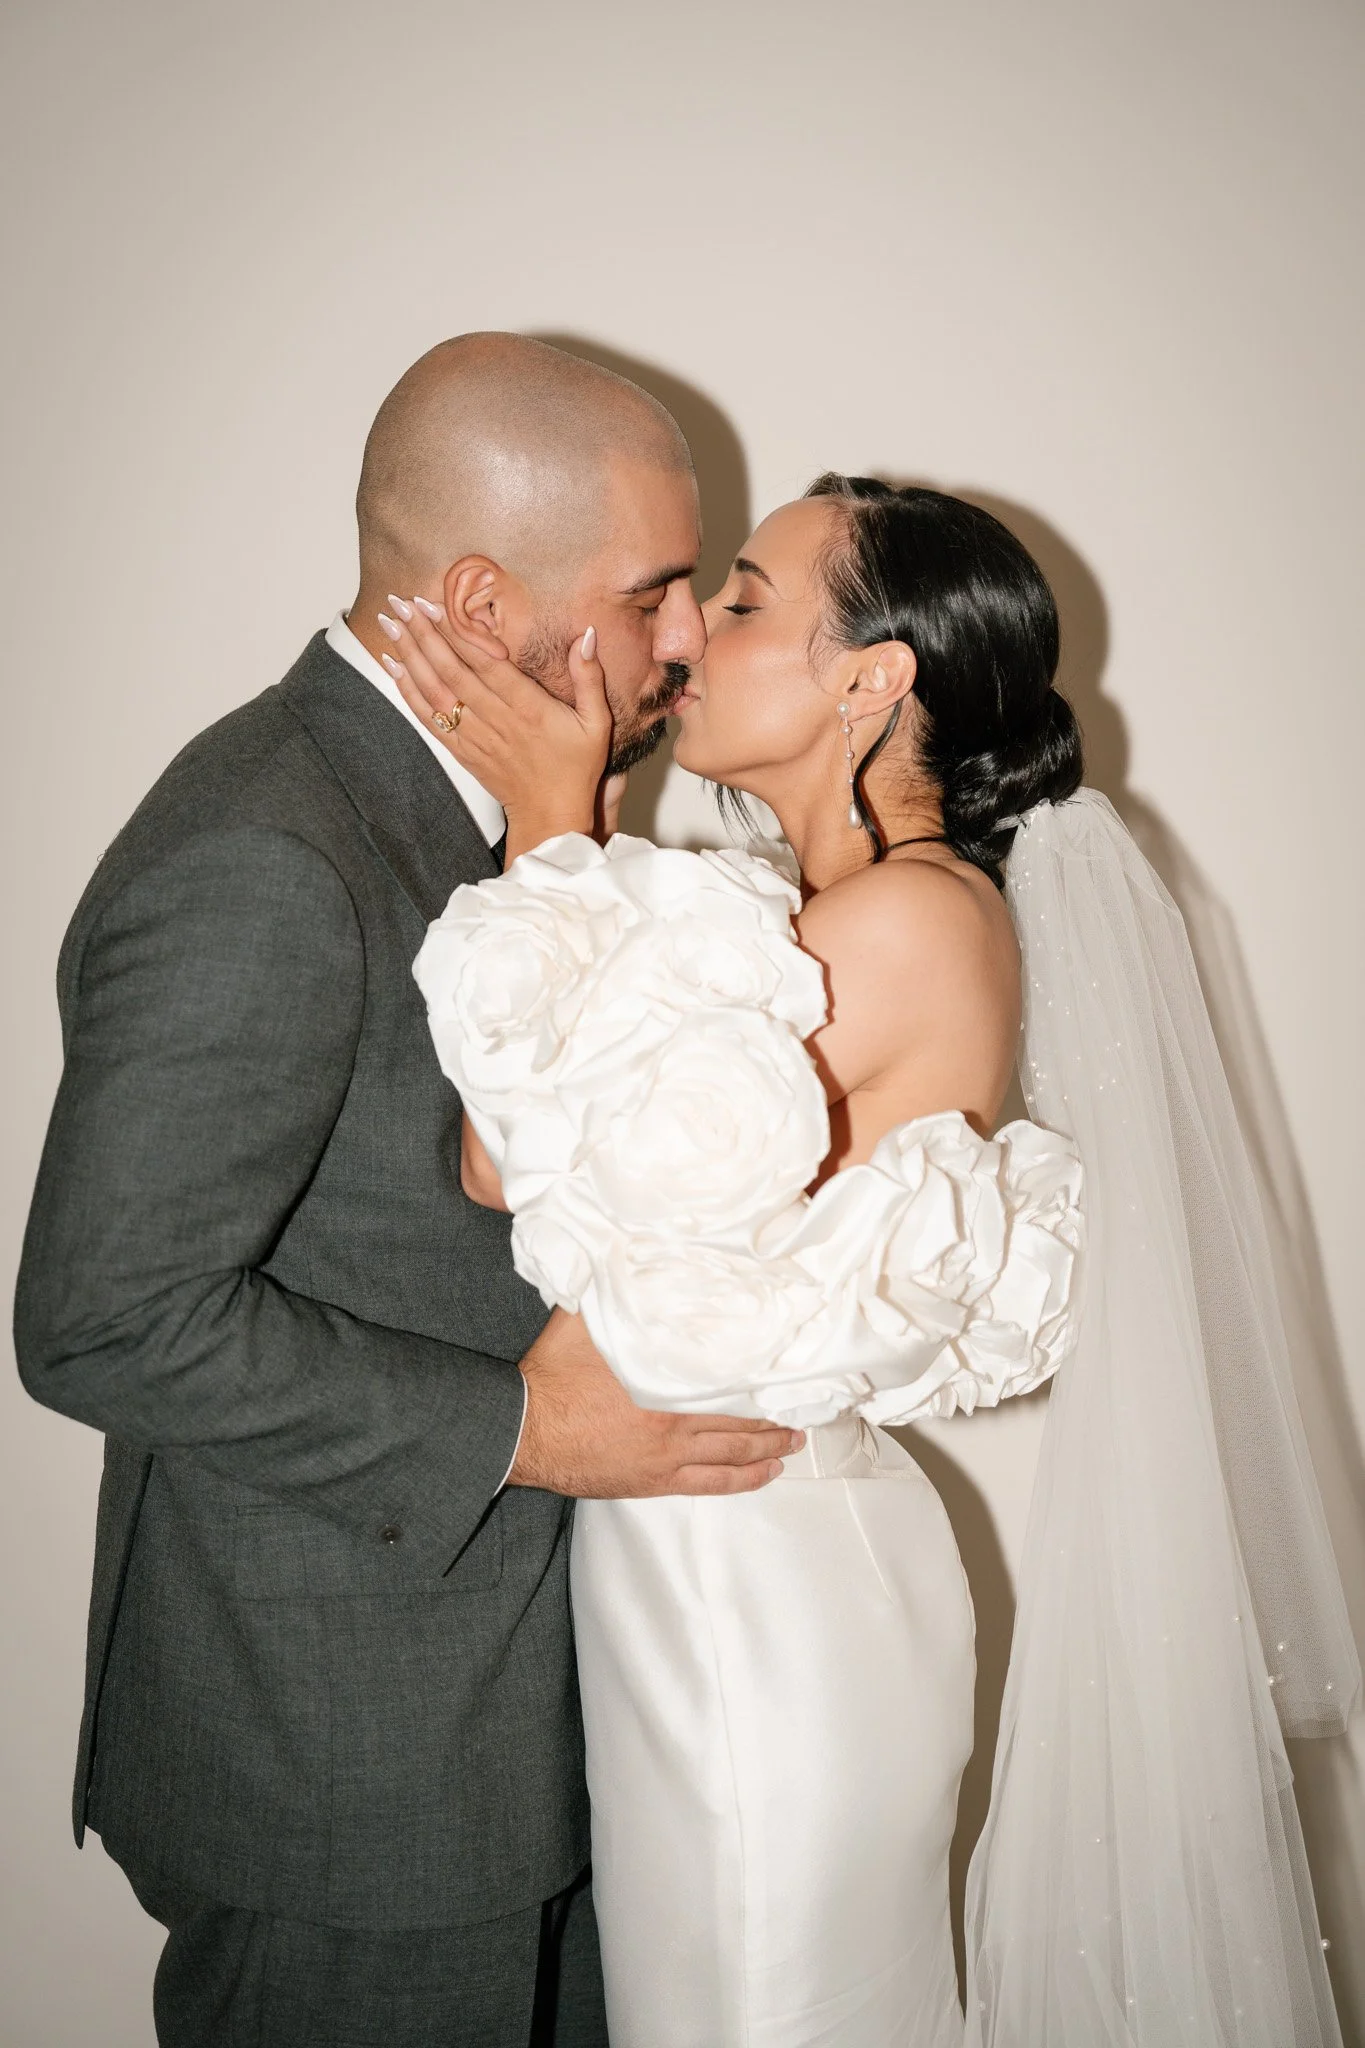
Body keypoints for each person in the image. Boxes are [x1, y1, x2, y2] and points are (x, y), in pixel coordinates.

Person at [383, 473, 1357, 2046]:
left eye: (750, 597)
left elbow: (513, 1161)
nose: (695, 632)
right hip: (731, 1548)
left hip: (756, 1585)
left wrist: (554, 832)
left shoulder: (910, 922)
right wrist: (588, 859)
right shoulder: (812, 920)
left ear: (871, 680)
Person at [12, 333, 804, 2048]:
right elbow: (101, 1322)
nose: (683, 639)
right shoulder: (267, 850)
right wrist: (523, 1435)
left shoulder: (499, 815)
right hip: (343, 1778)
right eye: (657, 588)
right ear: (474, 594)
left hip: (515, 1736)